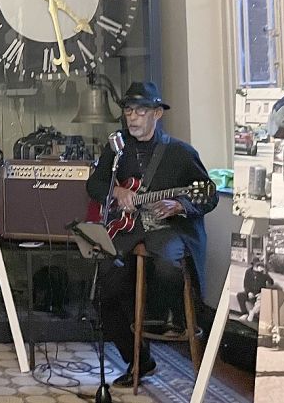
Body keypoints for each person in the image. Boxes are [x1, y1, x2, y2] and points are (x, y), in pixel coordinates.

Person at [86, 82, 217, 387]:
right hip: (127, 230)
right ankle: (139, 361)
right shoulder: (116, 149)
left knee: (167, 265)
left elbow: (207, 195)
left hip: (165, 229)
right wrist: (117, 191)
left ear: (157, 113)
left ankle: (170, 319)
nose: (132, 117)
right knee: (105, 287)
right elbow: (93, 186)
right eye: (129, 110)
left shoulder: (181, 153)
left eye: (141, 111)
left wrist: (179, 204)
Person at [236, 257, 274, 322]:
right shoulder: (248, 272)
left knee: (261, 300)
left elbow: (271, 282)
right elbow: (245, 284)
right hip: (250, 292)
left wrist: (266, 274)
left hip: (260, 293)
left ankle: (253, 314)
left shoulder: (263, 273)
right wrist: (248, 292)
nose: (257, 268)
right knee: (240, 295)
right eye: (255, 266)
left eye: (258, 266)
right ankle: (244, 313)